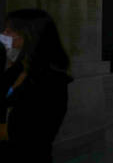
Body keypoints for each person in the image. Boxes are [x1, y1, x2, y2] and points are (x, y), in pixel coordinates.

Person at [0, 9, 72, 162]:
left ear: (30, 36)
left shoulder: (51, 81)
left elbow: (36, 133)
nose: (4, 35)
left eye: (10, 30)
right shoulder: (15, 70)